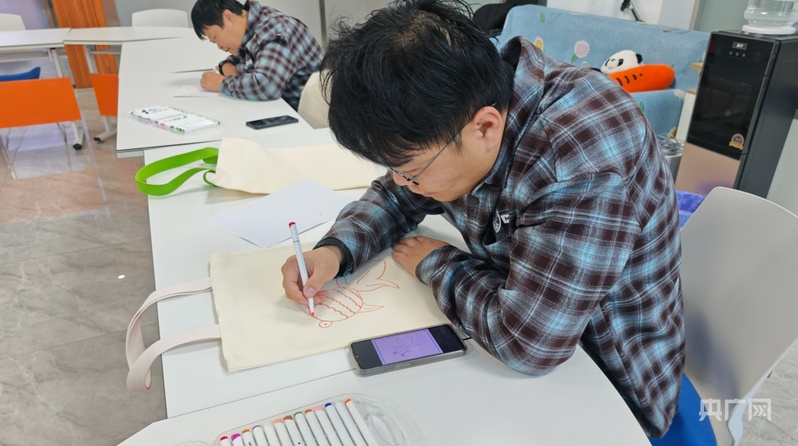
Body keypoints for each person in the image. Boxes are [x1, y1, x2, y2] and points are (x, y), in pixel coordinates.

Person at [280, 0, 683, 438]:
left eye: (410, 170)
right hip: (521, 319)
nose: (400, 182)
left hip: (609, 380)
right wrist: (335, 251)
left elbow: (529, 342)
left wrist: (436, 262)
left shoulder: (579, 160)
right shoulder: (459, 106)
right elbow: (396, 195)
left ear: (486, 128)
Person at [191, 0, 323, 109]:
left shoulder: (275, 31)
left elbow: (267, 86)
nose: (219, 46)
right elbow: (248, 58)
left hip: (306, 117)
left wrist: (221, 83)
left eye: (214, 37)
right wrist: (227, 65)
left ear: (228, 17)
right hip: (281, 108)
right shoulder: (254, 24)